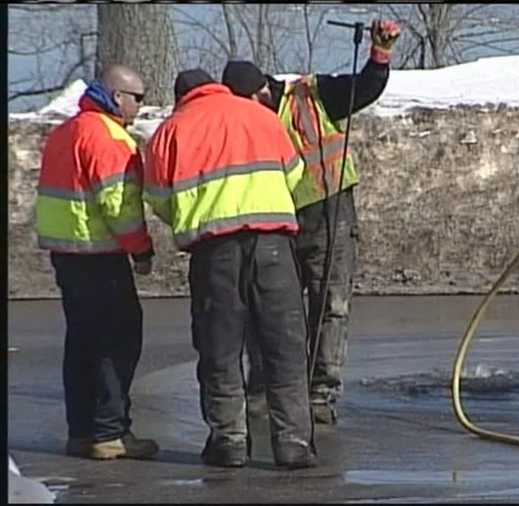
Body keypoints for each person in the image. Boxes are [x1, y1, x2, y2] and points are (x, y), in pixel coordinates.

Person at [220, 19, 401, 425]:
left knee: (329, 305)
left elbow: (366, 88)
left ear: (261, 91)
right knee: (269, 308)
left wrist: (380, 53)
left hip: (329, 212)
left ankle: (320, 393)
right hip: (274, 220)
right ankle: (266, 388)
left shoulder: (312, 93)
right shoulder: (238, 118)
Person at [143, 69, 313, 468]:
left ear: (181, 96)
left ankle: (229, 442)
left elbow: (160, 199)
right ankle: (292, 444)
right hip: (273, 246)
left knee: (219, 348)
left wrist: (197, 216)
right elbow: (294, 174)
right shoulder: (260, 116)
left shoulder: (170, 132)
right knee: (284, 346)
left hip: (214, 252)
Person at [36, 64, 159, 460]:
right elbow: (118, 205)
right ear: (117, 95)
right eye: (137, 98)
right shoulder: (107, 137)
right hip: (99, 255)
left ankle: (82, 432)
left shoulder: (64, 132)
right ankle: (110, 433)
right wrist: (141, 250)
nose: (140, 106)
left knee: (82, 342)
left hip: (67, 254)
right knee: (117, 341)